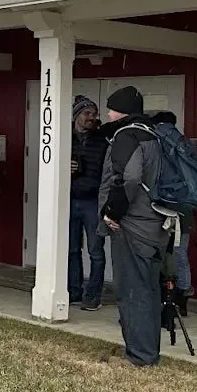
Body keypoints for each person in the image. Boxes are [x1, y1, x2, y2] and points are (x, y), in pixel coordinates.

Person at [98, 85, 168, 367]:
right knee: (149, 289)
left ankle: (139, 356)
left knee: (132, 290)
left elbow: (128, 178)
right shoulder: (154, 135)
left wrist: (112, 213)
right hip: (154, 225)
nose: (108, 113)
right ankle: (148, 351)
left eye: (111, 108)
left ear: (120, 111)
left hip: (133, 226)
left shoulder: (127, 135)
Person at [68, 95, 109, 311]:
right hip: (69, 197)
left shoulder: (101, 140)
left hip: (93, 200)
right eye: (87, 114)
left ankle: (93, 295)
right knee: (72, 249)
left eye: (94, 114)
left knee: (96, 250)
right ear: (76, 116)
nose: (91, 118)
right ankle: (74, 290)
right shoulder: (64, 138)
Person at [151, 110, 194, 315]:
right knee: (179, 253)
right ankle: (182, 296)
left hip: (163, 206)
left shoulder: (158, 143)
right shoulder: (186, 146)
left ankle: (165, 298)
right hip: (186, 208)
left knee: (160, 253)